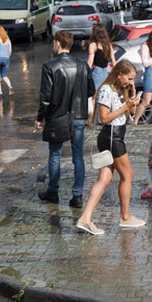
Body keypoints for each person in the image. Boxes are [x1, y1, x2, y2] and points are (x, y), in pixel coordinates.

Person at [77, 60, 145, 235]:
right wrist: (126, 106)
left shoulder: (120, 89)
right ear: (119, 74)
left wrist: (132, 98)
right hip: (111, 137)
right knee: (127, 175)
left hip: (116, 136)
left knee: (105, 178)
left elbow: (130, 113)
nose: (130, 82)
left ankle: (85, 218)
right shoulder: (107, 89)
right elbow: (104, 118)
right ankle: (125, 216)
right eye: (128, 78)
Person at [34, 30, 95, 208]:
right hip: (77, 115)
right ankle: (77, 195)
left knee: (55, 155)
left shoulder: (50, 66)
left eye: (54, 43)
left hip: (57, 116)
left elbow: (45, 96)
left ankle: (53, 192)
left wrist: (40, 117)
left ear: (58, 44)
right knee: (78, 156)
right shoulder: (82, 65)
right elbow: (91, 90)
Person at [133, 28, 152, 124]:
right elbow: (145, 63)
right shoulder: (145, 46)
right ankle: (136, 121)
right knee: (146, 101)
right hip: (150, 72)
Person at [87, 23, 117, 101]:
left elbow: (90, 62)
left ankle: (94, 113)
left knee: (95, 95)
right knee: (105, 94)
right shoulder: (108, 45)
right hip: (106, 71)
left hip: (97, 71)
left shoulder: (93, 45)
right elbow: (113, 61)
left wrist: (85, 73)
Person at [0, 26, 14, 98]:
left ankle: (0, 92)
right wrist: (8, 56)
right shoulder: (7, 39)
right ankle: (10, 87)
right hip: (6, 58)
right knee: (4, 75)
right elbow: (10, 50)